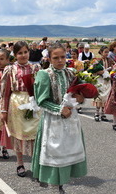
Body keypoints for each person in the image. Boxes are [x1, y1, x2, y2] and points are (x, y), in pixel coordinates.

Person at [31, 43, 87, 194]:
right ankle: (54, 187)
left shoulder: (71, 73)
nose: (60, 60)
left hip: (71, 119)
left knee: (68, 150)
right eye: (56, 58)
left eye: (63, 57)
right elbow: (41, 100)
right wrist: (59, 109)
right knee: (54, 153)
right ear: (49, 58)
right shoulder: (44, 74)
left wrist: (81, 98)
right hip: (53, 120)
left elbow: (79, 94)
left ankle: (61, 185)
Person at [0, 41, 41, 177]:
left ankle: (36, 164)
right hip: (16, 104)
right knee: (18, 134)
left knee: (35, 133)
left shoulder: (36, 68)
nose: (23, 55)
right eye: (20, 53)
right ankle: (20, 162)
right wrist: (3, 111)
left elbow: (41, 89)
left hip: (33, 103)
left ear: (29, 52)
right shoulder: (9, 69)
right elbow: (5, 92)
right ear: (15, 55)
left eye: (25, 52)